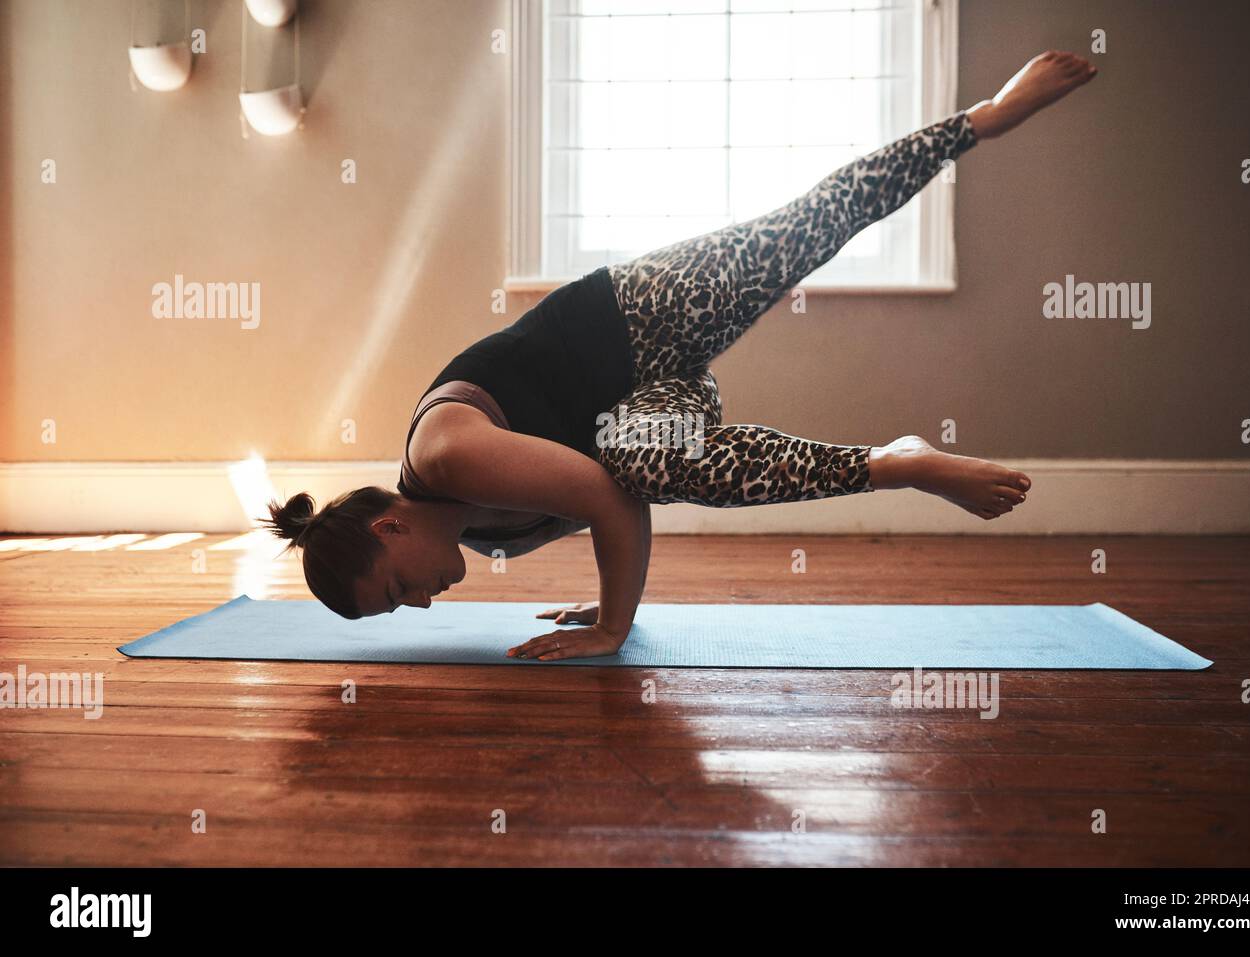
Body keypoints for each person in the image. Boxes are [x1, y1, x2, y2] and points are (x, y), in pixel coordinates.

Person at [264, 51, 1098, 660]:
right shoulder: (482, 534)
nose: (416, 602)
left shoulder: (444, 454)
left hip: (646, 308)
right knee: (645, 459)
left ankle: (982, 117)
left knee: (812, 224)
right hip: (650, 405)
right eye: (398, 608)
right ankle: (899, 462)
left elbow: (602, 497)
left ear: (390, 524)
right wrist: (606, 605)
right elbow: (619, 490)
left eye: (394, 587)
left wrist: (613, 628)